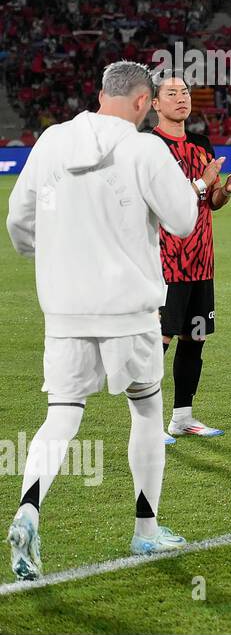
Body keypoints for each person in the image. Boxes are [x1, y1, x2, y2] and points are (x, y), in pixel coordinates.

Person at [7, 61, 202, 578]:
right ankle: (145, 530)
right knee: (144, 412)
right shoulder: (144, 148)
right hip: (129, 310)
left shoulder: (51, 140)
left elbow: (18, 220)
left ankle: (28, 509)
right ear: (144, 103)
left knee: (62, 415)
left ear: (100, 94)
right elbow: (184, 220)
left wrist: (47, 260)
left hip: (65, 308)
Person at [152, 75, 231, 441]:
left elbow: (210, 203)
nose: (181, 98)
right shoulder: (149, 147)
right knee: (158, 344)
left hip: (201, 260)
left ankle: (182, 417)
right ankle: (145, 425)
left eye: (185, 92)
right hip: (166, 262)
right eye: (171, 93)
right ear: (155, 104)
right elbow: (161, 203)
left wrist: (224, 190)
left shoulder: (200, 143)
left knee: (194, 339)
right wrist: (205, 183)